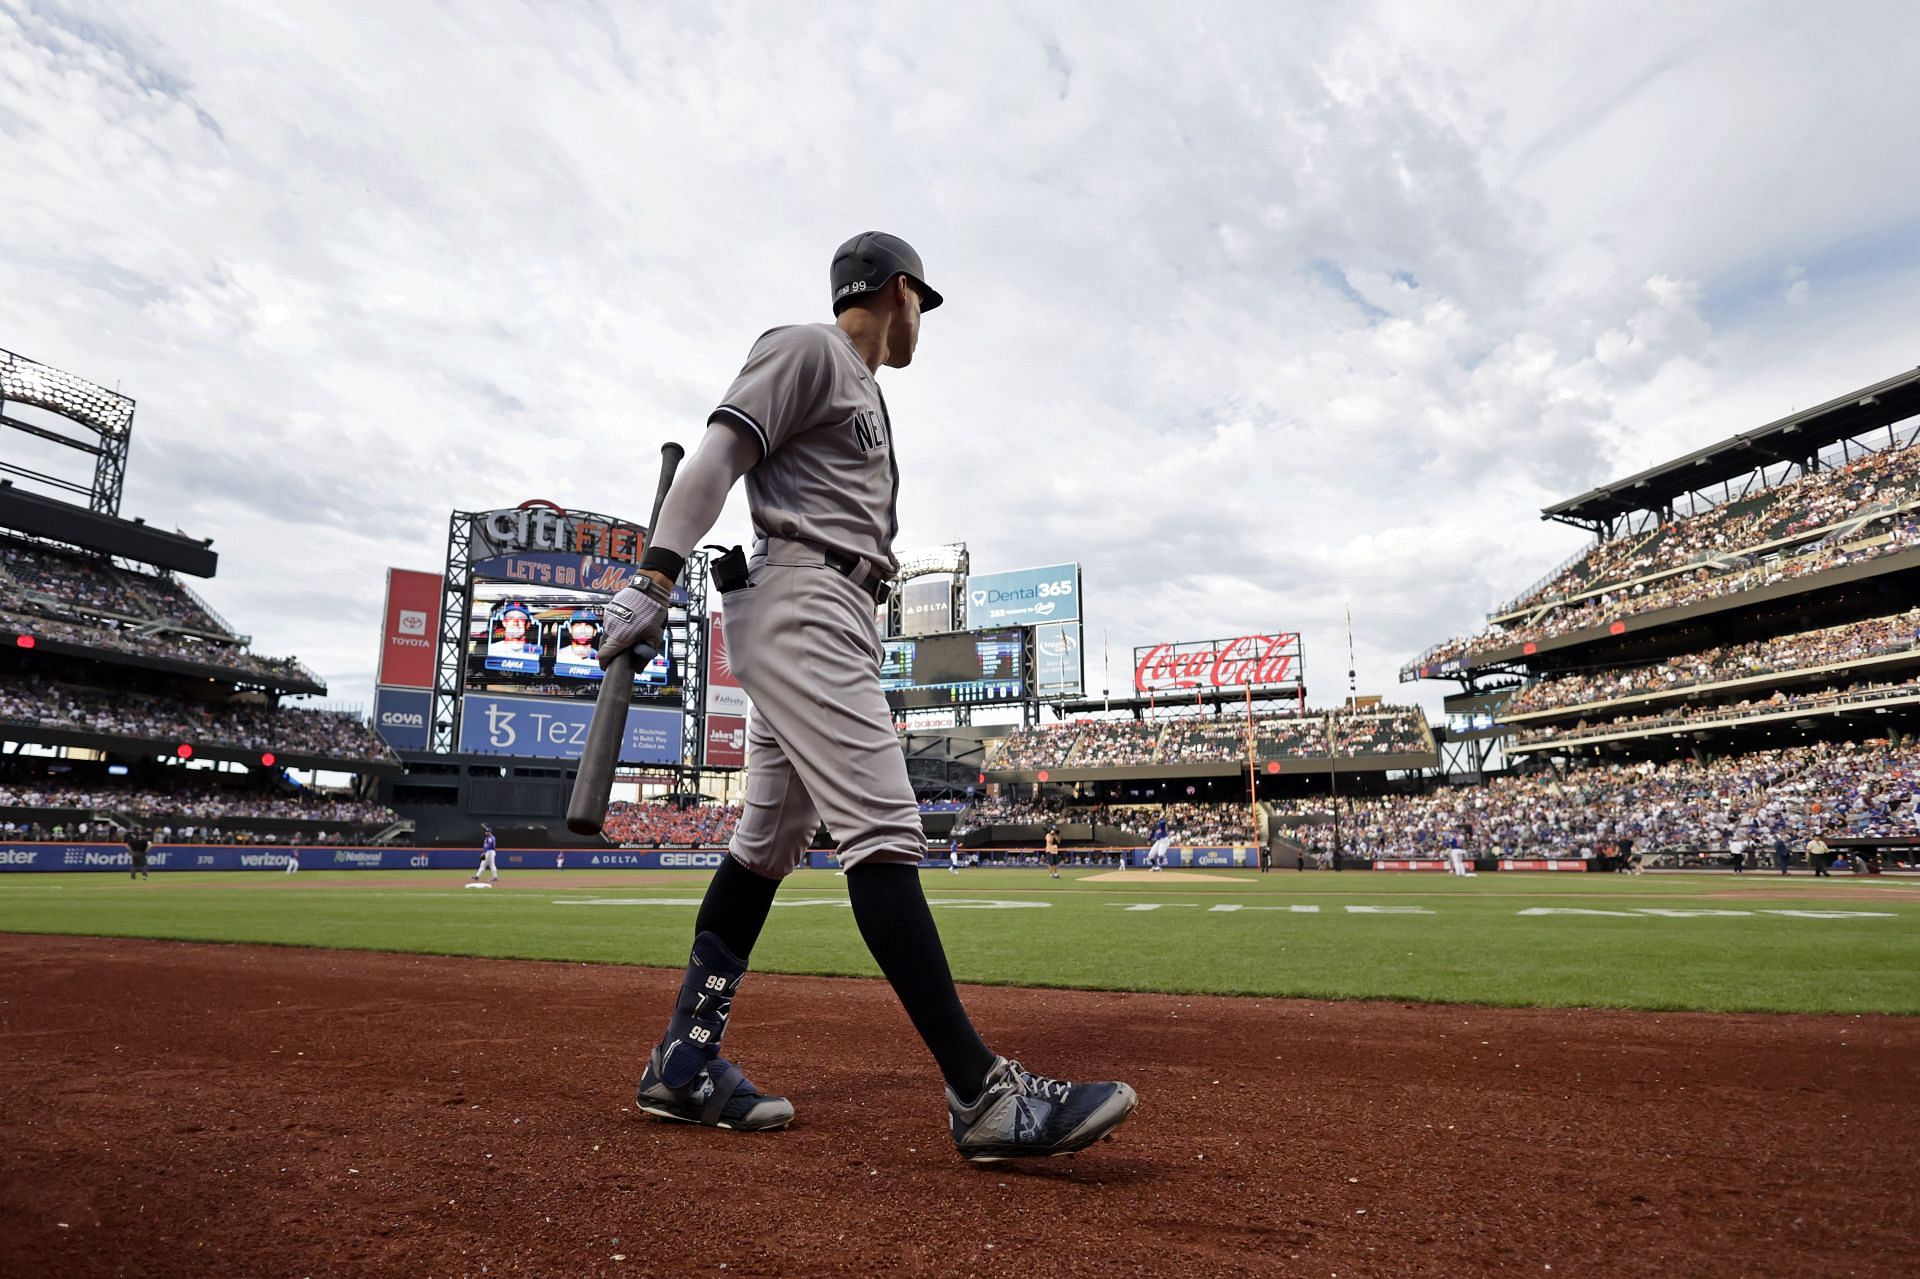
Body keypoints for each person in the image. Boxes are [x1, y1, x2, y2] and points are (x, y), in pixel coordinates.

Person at [595, 232, 1135, 1161]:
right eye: (921, 302)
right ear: (898, 292)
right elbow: (717, 456)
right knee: (886, 831)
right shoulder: (809, 348)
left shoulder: (866, 392)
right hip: (807, 600)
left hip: (833, 603)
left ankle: (683, 1060)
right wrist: (653, 577)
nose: (922, 320)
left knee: (764, 847)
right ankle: (983, 1095)